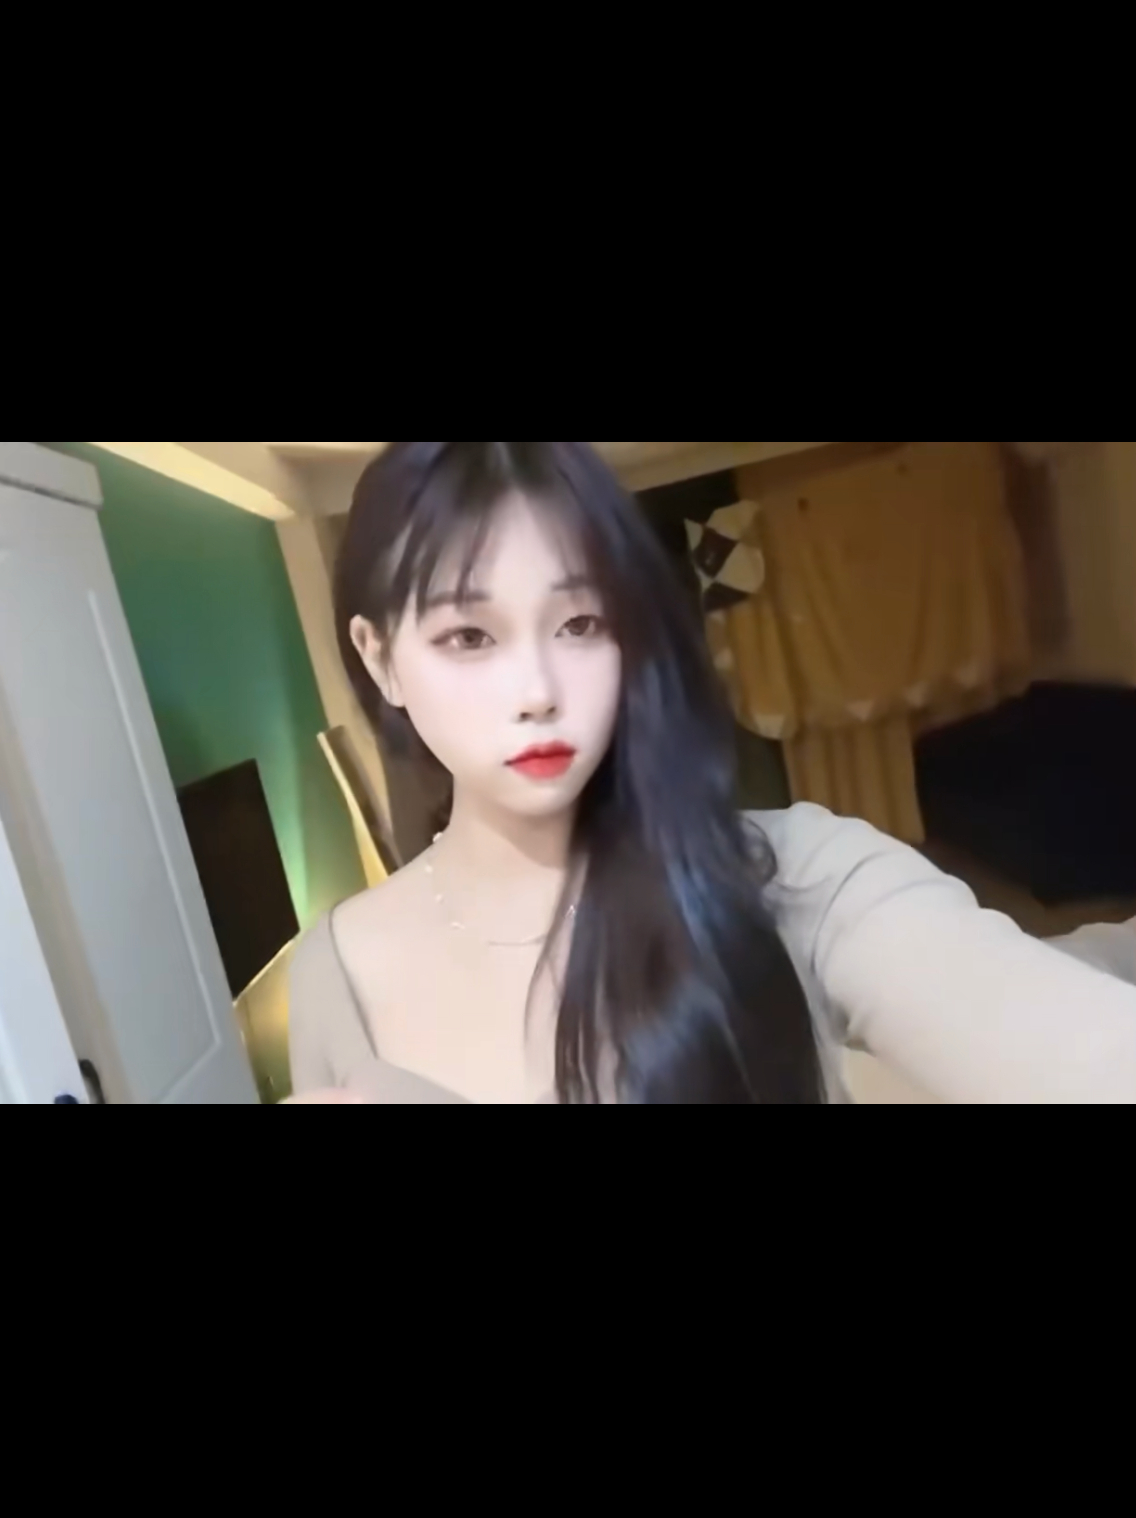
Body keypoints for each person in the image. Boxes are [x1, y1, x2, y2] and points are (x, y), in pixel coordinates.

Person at [288, 441, 1136, 1107]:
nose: (539, 691)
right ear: (380, 658)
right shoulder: (336, 976)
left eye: (581, 623)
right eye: (469, 637)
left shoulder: (790, 878)